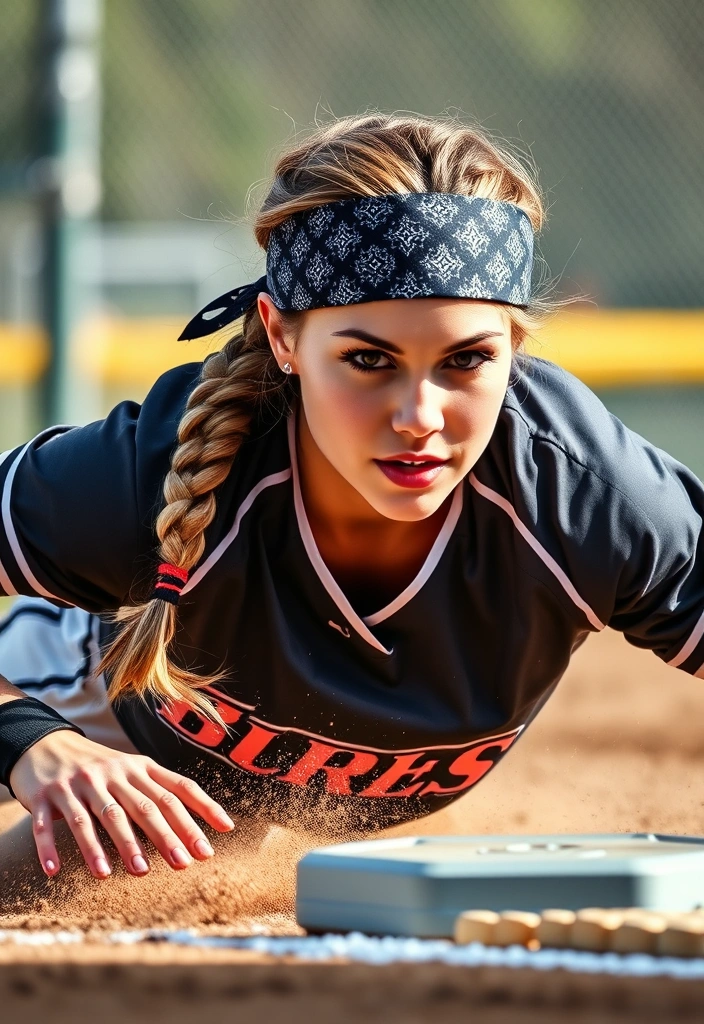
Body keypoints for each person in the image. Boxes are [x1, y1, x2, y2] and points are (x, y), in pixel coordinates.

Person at [1, 113, 702, 887]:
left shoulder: (585, 498)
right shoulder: (155, 473)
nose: (419, 417)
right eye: (369, 359)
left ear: (516, 351)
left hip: (221, 805)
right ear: (281, 338)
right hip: (100, 710)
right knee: (103, 859)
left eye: (467, 359)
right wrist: (33, 739)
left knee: (202, 840)